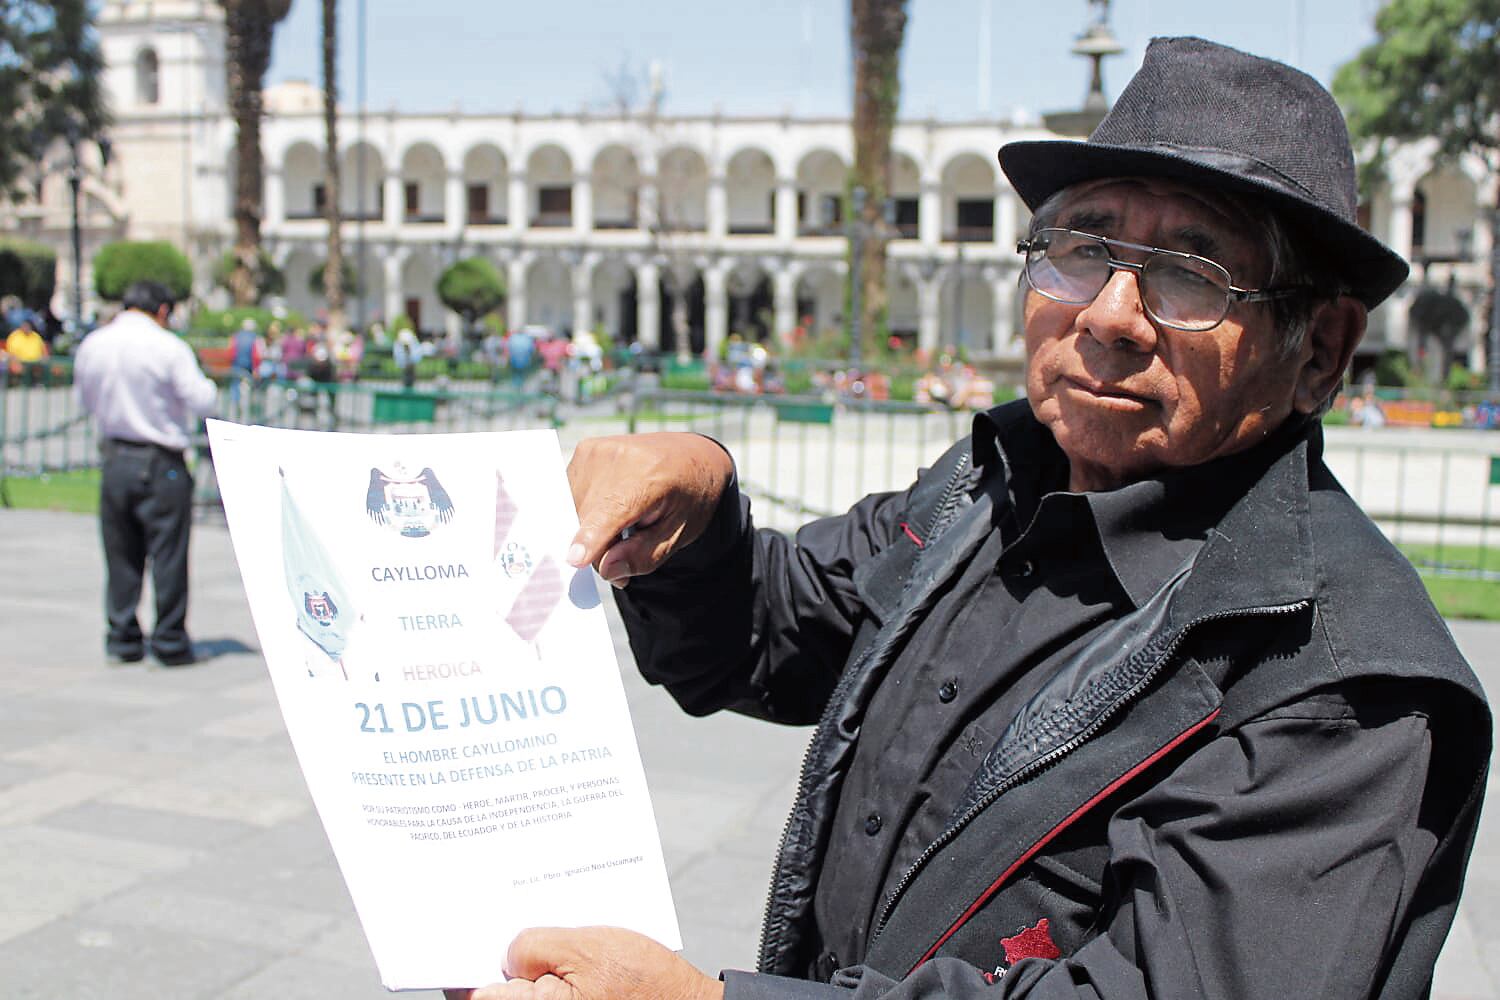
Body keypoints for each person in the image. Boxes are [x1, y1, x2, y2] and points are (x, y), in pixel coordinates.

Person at [449, 38, 1490, 1000]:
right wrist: (702, 496)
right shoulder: (995, 485)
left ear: (1318, 349)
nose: (1111, 314)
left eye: (1188, 272)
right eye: (1084, 245)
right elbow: (778, 629)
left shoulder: (1335, 678)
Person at [73, 280, 217, 665]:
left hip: (117, 454)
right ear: (164, 310)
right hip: (161, 458)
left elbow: (83, 398)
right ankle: (169, 640)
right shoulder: (168, 346)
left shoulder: (94, 344)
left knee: (120, 553)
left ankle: (122, 637)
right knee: (168, 554)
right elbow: (202, 399)